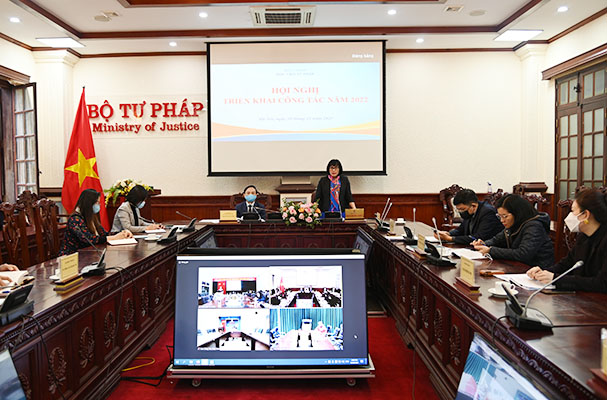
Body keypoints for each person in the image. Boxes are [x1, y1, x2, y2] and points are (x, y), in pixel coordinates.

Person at [527, 189, 607, 292]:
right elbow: (566, 264)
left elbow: (602, 283)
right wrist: (543, 272)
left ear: (585, 215)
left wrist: (555, 279)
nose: (569, 216)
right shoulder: (583, 236)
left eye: (573, 211)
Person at [472, 194, 554, 268]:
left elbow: (523, 254)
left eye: (505, 216)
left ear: (517, 213)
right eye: (499, 216)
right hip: (518, 267)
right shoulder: (514, 224)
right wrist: (483, 244)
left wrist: (490, 250)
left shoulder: (534, 226)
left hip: (536, 271)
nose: (502, 220)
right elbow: (496, 240)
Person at [59, 189, 132, 256]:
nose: (99, 205)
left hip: (88, 255)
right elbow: (89, 239)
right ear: (88, 204)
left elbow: (104, 234)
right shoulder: (75, 219)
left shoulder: (91, 217)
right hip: (71, 258)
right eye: (97, 203)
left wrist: (122, 233)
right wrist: (114, 238)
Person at [434, 189, 502, 245]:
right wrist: (448, 233)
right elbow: (461, 229)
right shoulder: (470, 213)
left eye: (462, 209)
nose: (460, 212)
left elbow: (478, 237)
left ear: (473, 206)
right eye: (458, 210)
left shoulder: (488, 212)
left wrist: (450, 239)